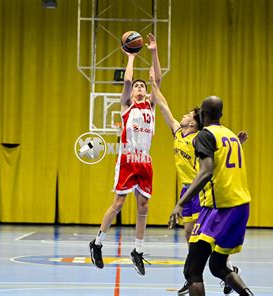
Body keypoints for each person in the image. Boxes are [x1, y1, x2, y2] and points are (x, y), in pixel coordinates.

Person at [150, 79, 247, 295]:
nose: (183, 116)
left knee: (201, 242)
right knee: (190, 236)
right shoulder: (178, 134)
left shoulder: (200, 137)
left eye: (188, 115)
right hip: (189, 189)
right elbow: (164, 107)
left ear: (196, 121)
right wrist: (154, 86)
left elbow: (212, 164)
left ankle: (212, 270)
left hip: (201, 191)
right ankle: (201, 272)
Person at [89, 33, 162, 276]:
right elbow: (128, 82)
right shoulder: (127, 105)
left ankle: (137, 251)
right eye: (138, 87)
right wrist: (130, 57)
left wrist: (153, 52)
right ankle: (97, 243)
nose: (139, 88)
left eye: (143, 86)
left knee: (143, 207)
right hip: (128, 159)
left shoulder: (150, 105)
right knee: (118, 203)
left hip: (145, 161)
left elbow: (158, 81)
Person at [169, 96, 254, 295]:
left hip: (220, 208)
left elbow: (206, 172)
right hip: (242, 207)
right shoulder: (230, 134)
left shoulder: (205, 135)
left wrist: (180, 203)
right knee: (218, 266)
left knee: (193, 270)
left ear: (203, 115)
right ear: (221, 115)